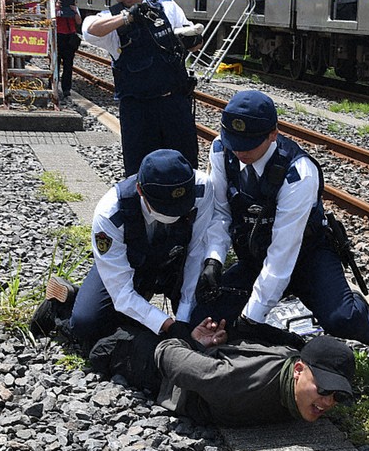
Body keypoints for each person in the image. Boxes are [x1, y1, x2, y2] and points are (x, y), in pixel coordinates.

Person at [191, 89, 369, 350]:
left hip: (307, 257)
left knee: (343, 320)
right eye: (233, 141)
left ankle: (362, 313)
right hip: (255, 256)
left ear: (273, 134)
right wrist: (214, 259)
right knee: (204, 316)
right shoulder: (220, 150)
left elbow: (282, 256)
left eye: (248, 144)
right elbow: (222, 214)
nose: (239, 151)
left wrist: (250, 319)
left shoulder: (299, 174)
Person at [30, 149, 226, 351]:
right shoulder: (110, 214)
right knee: (87, 325)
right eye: (165, 209)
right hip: (130, 268)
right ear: (140, 190)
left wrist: (184, 319)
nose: (174, 215)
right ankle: (62, 306)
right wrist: (169, 325)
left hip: (176, 264)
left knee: (205, 319)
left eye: (181, 208)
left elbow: (196, 254)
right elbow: (121, 292)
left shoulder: (201, 188)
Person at [88, 318, 356, 427]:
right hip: (164, 373)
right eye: (323, 389)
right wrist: (186, 343)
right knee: (100, 347)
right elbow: (179, 363)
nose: (328, 402)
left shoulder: (300, 389)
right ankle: (59, 310)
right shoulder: (239, 380)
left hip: (208, 352)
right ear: (298, 370)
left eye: (337, 395)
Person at [81, 0, 202, 177]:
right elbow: (90, 30)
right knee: (140, 170)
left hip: (174, 103)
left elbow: (190, 38)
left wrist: (193, 41)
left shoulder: (167, 7)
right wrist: (128, 17)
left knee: (186, 165)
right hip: (138, 110)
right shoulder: (111, 19)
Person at [55, 0, 82, 98]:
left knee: (68, 64)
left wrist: (75, 11)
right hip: (58, 36)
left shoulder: (73, 7)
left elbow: (79, 22)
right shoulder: (54, 7)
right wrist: (57, 8)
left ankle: (66, 88)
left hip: (70, 37)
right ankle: (54, 85)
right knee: (55, 63)